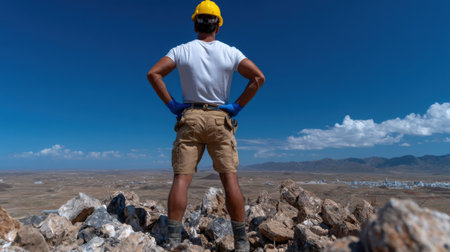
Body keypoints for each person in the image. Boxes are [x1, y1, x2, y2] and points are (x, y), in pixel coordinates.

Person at [147, 0, 265, 250]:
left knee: (181, 179)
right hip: (219, 118)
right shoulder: (231, 52)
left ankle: (174, 240)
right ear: (218, 27)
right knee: (229, 180)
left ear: (195, 24)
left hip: (190, 116)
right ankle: (242, 243)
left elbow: (154, 73)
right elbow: (258, 78)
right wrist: (237, 106)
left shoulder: (181, 50)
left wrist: (172, 104)